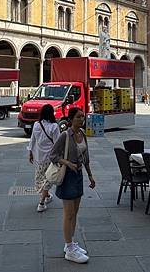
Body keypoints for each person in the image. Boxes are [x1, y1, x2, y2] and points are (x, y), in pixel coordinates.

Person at [49, 107, 95, 264]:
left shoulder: (82, 134)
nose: (81, 119)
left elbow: (86, 157)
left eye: (82, 116)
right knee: (68, 213)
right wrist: (67, 162)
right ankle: (69, 249)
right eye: (78, 117)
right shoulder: (65, 135)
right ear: (70, 120)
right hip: (67, 176)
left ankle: (71, 243)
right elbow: (53, 155)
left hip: (79, 175)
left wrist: (90, 175)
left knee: (75, 212)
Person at [28, 104, 61, 212]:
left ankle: (46, 196)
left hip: (39, 156)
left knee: (40, 178)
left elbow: (32, 140)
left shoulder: (36, 124)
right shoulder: (54, 126)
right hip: (50, 158)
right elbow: (57, 143)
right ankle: (42, 202)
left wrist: (30, 152)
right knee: (48, 178)